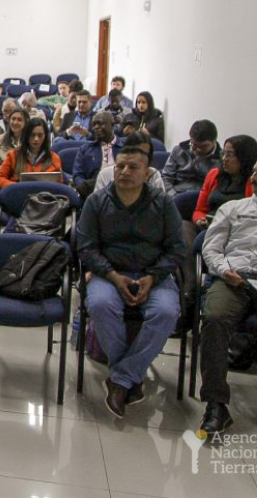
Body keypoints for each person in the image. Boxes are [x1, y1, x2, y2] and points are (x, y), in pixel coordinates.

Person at [75, 145, 184, 418]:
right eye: (119, 166)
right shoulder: (97, 201)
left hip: (153, 274)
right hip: (109, 272)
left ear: (147, 173)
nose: (124, 172)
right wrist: (112, 275)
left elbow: (177, 249)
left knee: (167, 312)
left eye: (133, 167)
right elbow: (86, 248)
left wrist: (152, 277)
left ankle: (120, 379)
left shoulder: (163, 203)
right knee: (100, 305)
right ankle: (130, 378)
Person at [197, 163, 257, 436]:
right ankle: (216, 404)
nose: (254, 175)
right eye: (254, 170)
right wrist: (224, 271)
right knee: (215, 318)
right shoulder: (233, 209)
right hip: (234, 278)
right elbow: (211, 248)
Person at [192, 135, 257, 229]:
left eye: (230, 155)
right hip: (209, 226)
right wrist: (200, 219)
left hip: (238, 229)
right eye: (223, 153)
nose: (224, 159)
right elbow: (199, 210)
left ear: (244, 157)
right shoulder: (214, 174)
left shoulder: (253, 181)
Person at [0, 118, 62, 189]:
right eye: (32, 135)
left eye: (40, 135)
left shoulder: (54, 158)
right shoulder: (13, 155)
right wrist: (16, 187)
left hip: (44, 197)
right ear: (26, 135)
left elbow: (59, 186)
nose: (36, 139)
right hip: (19, 195)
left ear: (45, 136)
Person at [162, 119, 222, 198]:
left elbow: (220, 187)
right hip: (177, 194)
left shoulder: (222, 159)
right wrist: (173, 196)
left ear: (214, 142)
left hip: (205, 198)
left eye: (203, 146)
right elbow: (166, 177)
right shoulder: (179, 150)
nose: (197, 149)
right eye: (194, 144)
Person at [94, 131, 166, 193]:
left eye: (144, 154)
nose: (138, 157)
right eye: (134, 152)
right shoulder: (105, 174)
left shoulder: (153, 174)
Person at [72, 112, 123, 200]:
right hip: (93, 194)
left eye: (100, 123)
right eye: (94, 124)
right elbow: (78, 175)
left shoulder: (126, 148)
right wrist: (83, 187)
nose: (96, 127)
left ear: (112, 125)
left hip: (122, 191)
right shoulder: (85, 149)